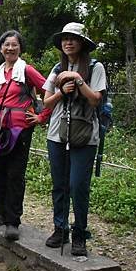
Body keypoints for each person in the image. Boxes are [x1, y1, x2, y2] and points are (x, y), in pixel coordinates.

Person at [0, 30, 49, 240]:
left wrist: (42, 117)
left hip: (21, 131)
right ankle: (2, 213)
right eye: (6, 44)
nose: (10, 48)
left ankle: (13, 221)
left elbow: (49, 91)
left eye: (14, 45)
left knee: (15, 174)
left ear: (20, 48)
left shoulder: (27, 71)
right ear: (1, 48)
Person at [42, 23, 106, 256]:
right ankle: (60, 229)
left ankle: (80, 234)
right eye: (65, 38)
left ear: (82, 43)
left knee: (78, 186)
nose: (68, 42)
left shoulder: (95, 67)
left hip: (85, 135)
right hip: (57, 133)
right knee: (59, 185)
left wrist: (78, 79)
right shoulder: (57, 68)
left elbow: (95, 99)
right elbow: (46, 102)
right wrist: (62, 91)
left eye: (73, 39)